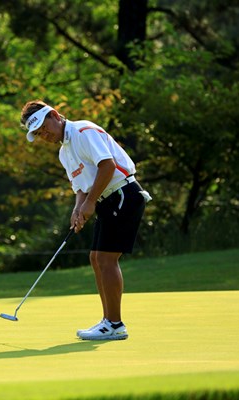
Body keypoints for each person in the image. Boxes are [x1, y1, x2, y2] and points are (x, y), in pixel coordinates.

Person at [20, 100, 151, 341]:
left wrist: (90, 203)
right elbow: (80, 186)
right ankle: (108, 321)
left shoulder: (82, 131)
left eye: (43, 127)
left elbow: (107, 166)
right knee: (96, 258)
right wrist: (78, 209)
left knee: (105, 258)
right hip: (107, 200)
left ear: (55, 115)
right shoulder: (64, 152)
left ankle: (114, 324)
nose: (44, 134)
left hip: (123, 194)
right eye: (38, 133)